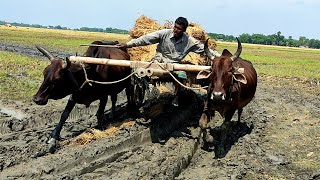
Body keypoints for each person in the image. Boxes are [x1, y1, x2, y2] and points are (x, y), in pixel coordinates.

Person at [116, 17, 220, 106]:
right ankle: (146, 93)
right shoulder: (164, 34)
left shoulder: (189, 41)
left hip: (175, 66)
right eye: (175, 27)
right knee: (139, 73)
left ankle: (176, 95)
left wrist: (221, 57)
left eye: (179, 29)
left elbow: (204, 50)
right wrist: (128, 45)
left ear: (184, 30)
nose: (175, 30)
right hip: (158, 61)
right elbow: (145, 39)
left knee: (182, 75)